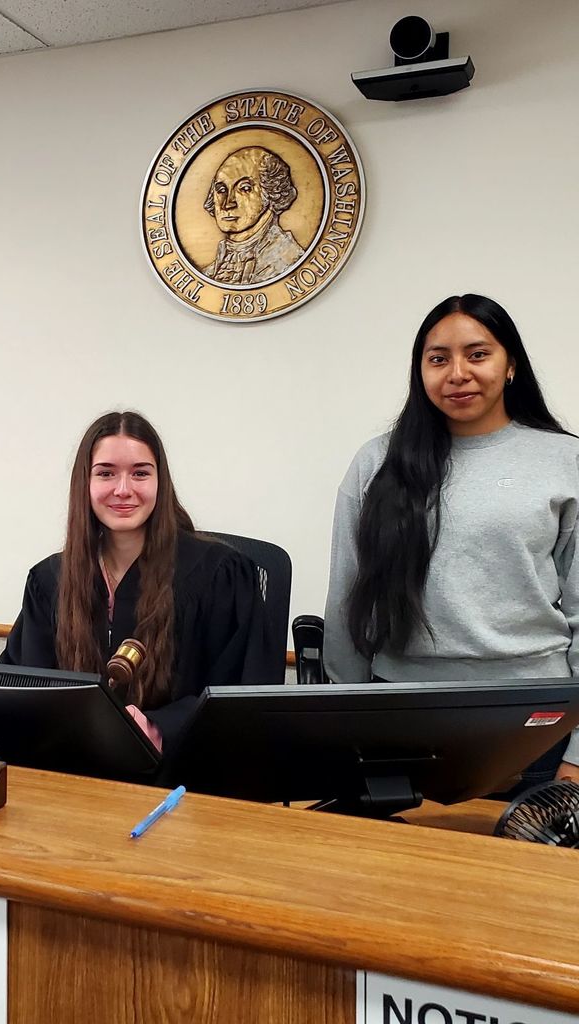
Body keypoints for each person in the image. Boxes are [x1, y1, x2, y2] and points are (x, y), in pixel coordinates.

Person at [323, 294, 579, 786]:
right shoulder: (378, 463)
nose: (457, 372)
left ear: (510, 367)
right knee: (400, 862)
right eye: (438, 358)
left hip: (531, 718)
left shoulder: (563, 461)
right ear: (420, 371)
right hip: (400, 712)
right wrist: (346, 729)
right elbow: (347, 603)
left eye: (478, 354)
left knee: (520, 864)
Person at [0, 410, 270, 754]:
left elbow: (241, 695)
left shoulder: (220, 575)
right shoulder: (50, 580)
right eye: (106, 473)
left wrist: (160, 728)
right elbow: (24, 685)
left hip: (182, 776)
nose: (123, 489)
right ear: (86, 483)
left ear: (160, 481)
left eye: (140, 473)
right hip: (75, 773)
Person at [201, 146, 305, 285]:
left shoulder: (287, 260)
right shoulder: (209, 273)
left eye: (244, 188)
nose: (227, 204)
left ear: (272, 192)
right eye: (221, 190)